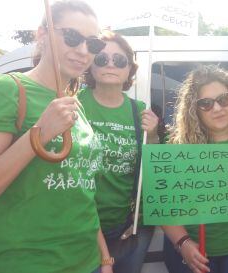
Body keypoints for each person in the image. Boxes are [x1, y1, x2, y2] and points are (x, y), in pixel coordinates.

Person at [0, 1, 113, 273]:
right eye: (72, 37)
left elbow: (82, 190)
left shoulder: (74, 104)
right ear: (41, 34)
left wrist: (104, 258)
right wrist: (41, 133)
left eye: (92, 44)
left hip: (87, 260)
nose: (82, 51)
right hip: (27, 263)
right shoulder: (7, 90)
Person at [162, 65, 228, 273]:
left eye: (224, 99)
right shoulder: (178, 147)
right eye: (205, 104)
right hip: (194, 250)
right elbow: (161, 205)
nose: (217, 108)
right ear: (194, 109)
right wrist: (183, 243)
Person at [78, 30, 160, 273]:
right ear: (90, 64)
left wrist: (154, 136)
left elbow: (152, 167)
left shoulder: (140, 110)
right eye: (102, 58)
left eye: (120, 60)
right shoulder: (74, 103)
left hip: (130, 225)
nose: (111, 64)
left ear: (129, 70)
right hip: (83, 225)